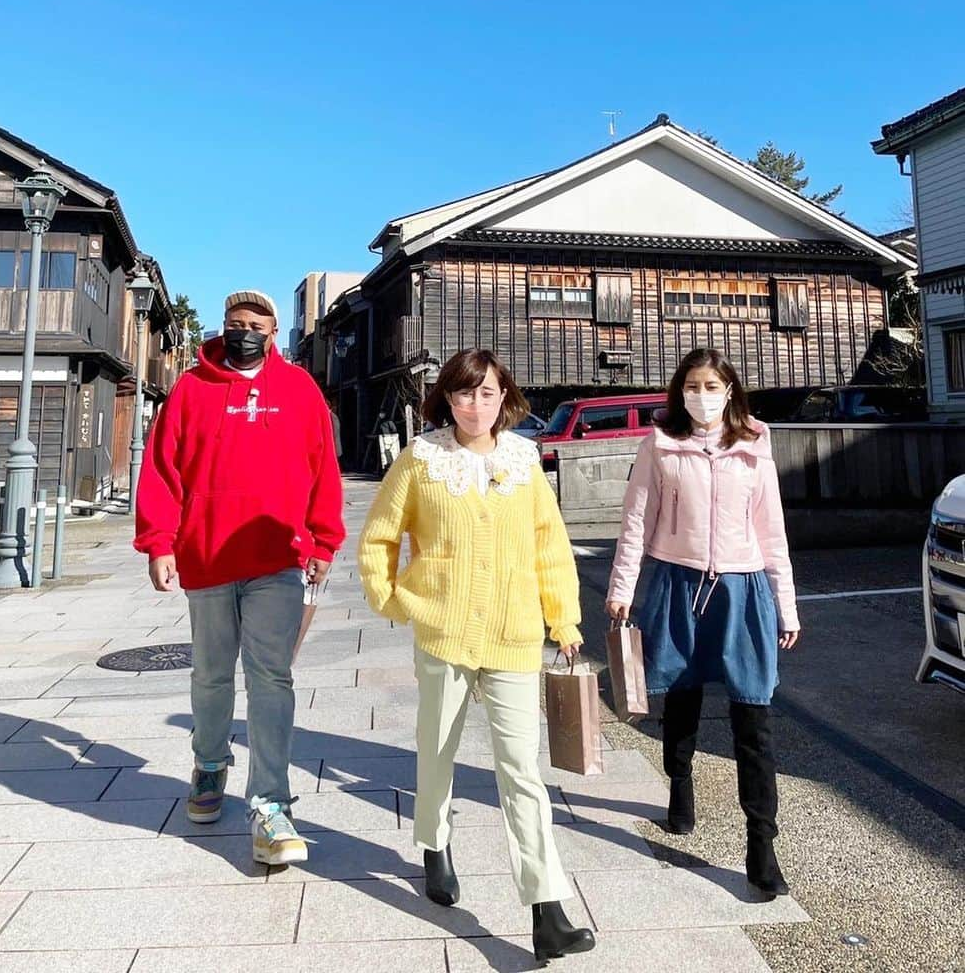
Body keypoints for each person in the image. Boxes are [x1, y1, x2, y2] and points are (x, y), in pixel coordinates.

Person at [358, 348, 595, 963]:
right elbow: (381, 533)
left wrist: (562, 619)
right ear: (447, 400)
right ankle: (435, 845)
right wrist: (394, 599)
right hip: (443, 633)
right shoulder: (421, 459)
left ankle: (548, 907)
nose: (475, 405)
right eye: (463, 394)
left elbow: (550, 546)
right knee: (437, 749)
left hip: (515, 636)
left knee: (521, 770)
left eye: (486, 393)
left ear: (504, 397)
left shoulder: (523, 459)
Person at [135, 289, 345, 866]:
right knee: (210, 673)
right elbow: (162, 468)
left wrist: (323, 539)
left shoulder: (299, 390)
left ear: (274, 333)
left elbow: (322, 467)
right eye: (235, 322)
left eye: (256, 323)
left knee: (271, 678)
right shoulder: (191, 387)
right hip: (205, 556)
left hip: (277, 557)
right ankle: (208, 764)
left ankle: (271, 802)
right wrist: (158, 542)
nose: (244, 330)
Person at [606, 347, 800, 899]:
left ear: (731, 390)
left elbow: (773, 530)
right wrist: (621, 590)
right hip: (678, 583)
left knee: (754, 720)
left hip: (743, 590)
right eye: (693, 385)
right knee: (681, 699)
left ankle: (761, 847)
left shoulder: (755, 446)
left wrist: (786, 605)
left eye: (713, 385)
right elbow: (636, 520)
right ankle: (680, 785)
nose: (703, 395)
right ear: (679, 391)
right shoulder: (660, 445)